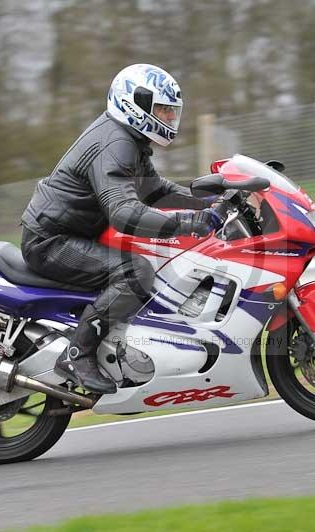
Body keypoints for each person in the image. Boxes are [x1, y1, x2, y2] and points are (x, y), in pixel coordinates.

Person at [20, 64, 223, 394]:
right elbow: (125, 214)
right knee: (134, 271)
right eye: (162, 110)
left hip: (71, 233)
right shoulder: (115, 143)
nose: (169, 118)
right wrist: (186, 223)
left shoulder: (129, 139)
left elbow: (154, 189)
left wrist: (210, 202)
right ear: (134, 104)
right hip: (52, 241)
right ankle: (77, 355)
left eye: (172, 111)